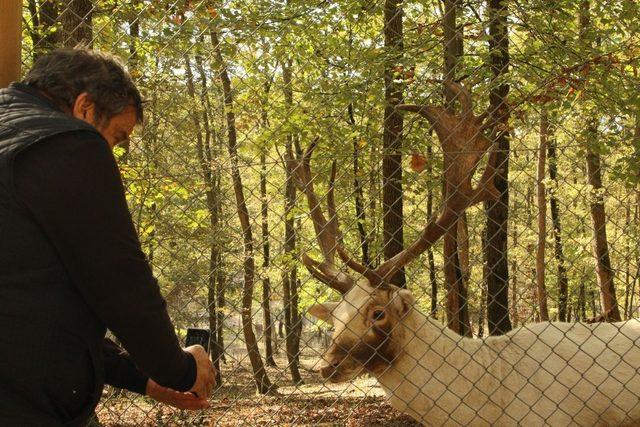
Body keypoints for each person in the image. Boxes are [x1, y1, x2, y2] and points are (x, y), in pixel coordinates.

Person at [0, 48, 216, 426]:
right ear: (85, 108)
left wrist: (141, 378)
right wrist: (180, 370)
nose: (111, 154)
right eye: (116, 138)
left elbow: (29, 302)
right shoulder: (68, 144)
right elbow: (120, 282)